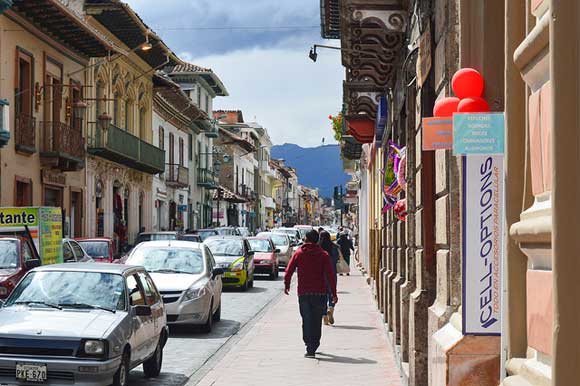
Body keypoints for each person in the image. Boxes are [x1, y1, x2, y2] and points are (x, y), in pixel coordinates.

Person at [284, 230, 337, 358]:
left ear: (306, 239)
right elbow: (330, 276)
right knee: (316, 320)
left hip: (303, 293)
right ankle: (314, 344)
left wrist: (287, 285)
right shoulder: (323, 255)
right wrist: (333, 293)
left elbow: (289, 270)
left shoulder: (299, 253)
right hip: (320, 293)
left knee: (306, 319)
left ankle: (309, 346)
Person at [318, 231, 339, 325]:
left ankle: (324, 317)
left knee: (322, 296)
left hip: (321, 275)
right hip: (332, 273)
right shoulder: (334, 247)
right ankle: (331, 308)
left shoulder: (318, 248)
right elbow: (337, 259)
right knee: (332, 293)